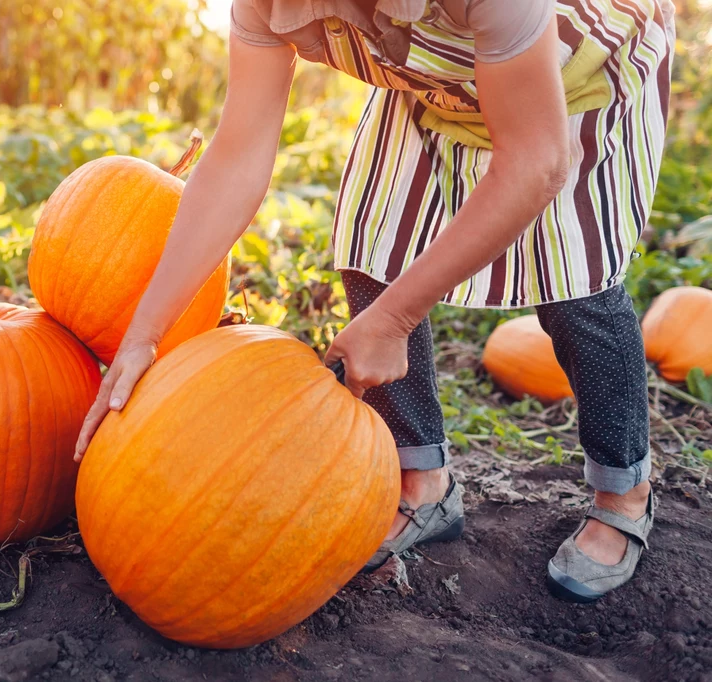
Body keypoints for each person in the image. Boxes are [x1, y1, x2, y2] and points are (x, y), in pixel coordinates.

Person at [73, 0, 675, 602]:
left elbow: (536, 162)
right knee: (375, 250)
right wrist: (145, 332)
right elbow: (236, 157)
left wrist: (395, 321)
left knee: (576, 283)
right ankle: (424, 481)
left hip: (573, 79)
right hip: (433, 84)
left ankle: (623, 494)